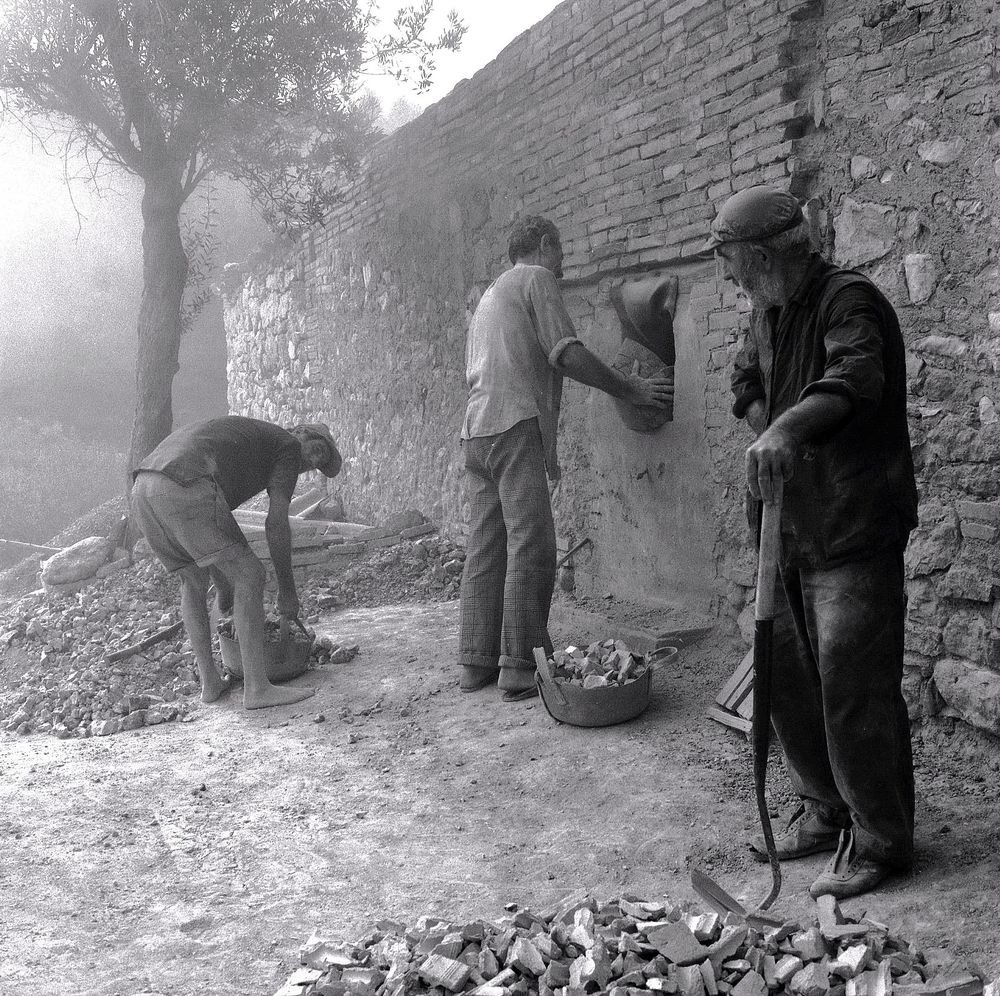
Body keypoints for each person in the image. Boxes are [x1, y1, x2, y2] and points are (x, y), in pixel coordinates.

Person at [707, 185, 918, 899]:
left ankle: (881, 841)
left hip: (853, 524)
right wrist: (768, 422)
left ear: (763, 255)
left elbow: (854, 379)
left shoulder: (847, 302)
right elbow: (745, 380)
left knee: (854, 689)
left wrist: (788, 431)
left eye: (731, 261)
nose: (729, 276)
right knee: (789, 679)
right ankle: (826, 810)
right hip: (788, 526)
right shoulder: (769, 312)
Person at [458, 215, 675, 701]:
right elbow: (566, 355)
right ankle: (519, 665)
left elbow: (523, 373)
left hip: (477, 434)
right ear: (543, 244)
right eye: (560, 251)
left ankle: (474, 661)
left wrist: (549, 451)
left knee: (486, 546)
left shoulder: (491, 297)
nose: (563, 264)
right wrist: (631, 388)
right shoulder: (535, 279)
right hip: (513, 426)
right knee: (533, 543)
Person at [130, 416, 342, 710]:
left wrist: (223, 585)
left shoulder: (252, 442)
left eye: (319, 462)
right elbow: (277, 524)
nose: (313, 461)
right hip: (185, 481)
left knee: (192, 580)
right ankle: (257, 688)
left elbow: (213, 528)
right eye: (318, 449)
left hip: (144, 487)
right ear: (301, 433)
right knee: (251, 575)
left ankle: (211, 684)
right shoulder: (288, 445)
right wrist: (288, 591)